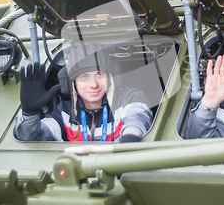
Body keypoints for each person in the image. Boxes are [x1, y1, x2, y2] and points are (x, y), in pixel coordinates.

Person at [14, 51, 153, 143]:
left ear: (110, 78)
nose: (94, 84)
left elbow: (137, 117)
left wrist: (130, 139)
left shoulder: (127, 99)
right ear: (72, 82)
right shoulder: (63, 112)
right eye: (84, 76)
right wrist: (29, 114)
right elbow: (31, 139)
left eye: (100, 74)